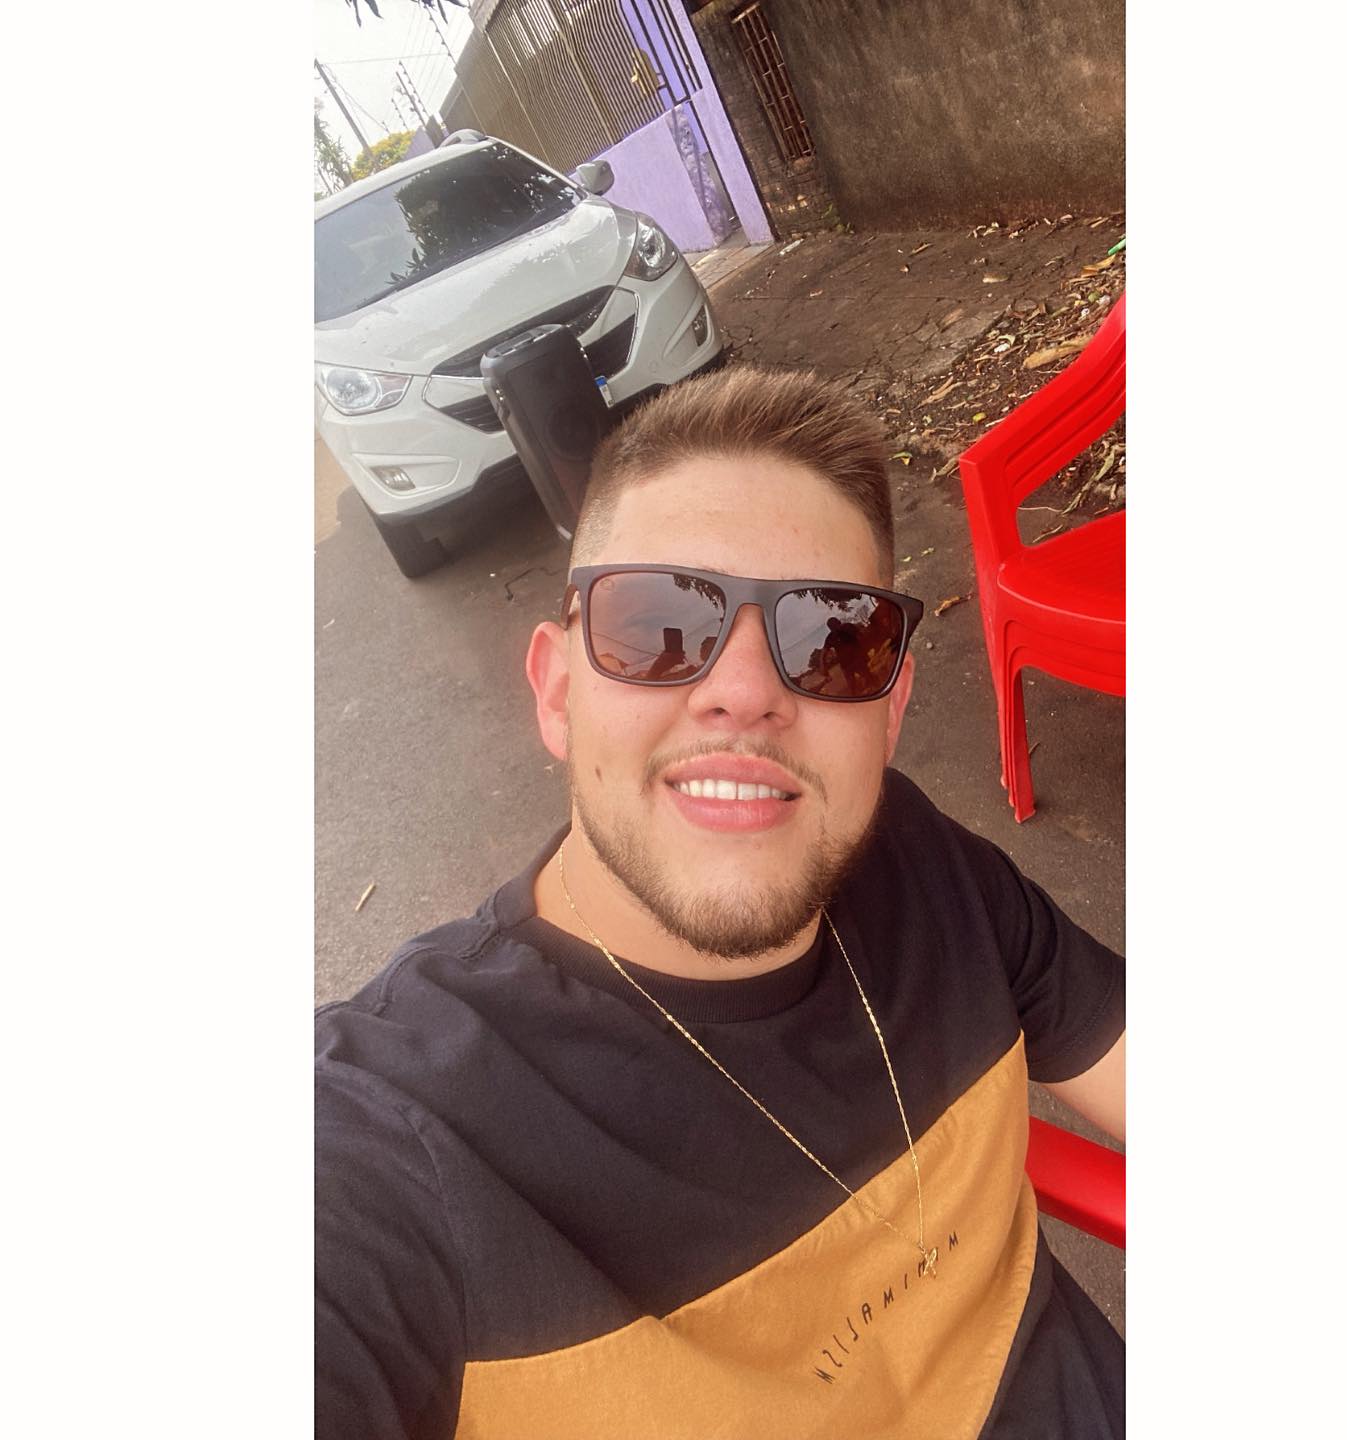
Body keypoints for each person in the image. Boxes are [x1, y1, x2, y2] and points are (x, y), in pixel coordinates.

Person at [315, 365, 1126, 1439]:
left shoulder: (917, 859)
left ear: (890, 711)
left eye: (833, 636)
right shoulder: (387, 1145)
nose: (744, 692)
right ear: (558, 693)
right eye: (656, 622)